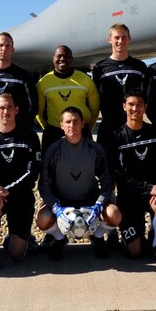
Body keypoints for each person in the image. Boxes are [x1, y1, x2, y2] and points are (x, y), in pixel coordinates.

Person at [36, 107, 121, 260]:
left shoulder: (95, 149)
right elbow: (43, 185)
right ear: (61, 125)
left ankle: (97, 235)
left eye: (76, 122)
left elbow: (107, 182)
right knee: (42, 219)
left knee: (114, 215)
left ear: (82, 124)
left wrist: (99, 205)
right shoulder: (53, 151)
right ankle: (60, 239)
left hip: (90, 201)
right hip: (63, 202)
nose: (72, 126)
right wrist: (56, 208)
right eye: (68, 122)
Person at [0, 93, 41, 274]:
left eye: (9, 107)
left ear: (16, 110)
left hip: (21, 197)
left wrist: (8, 189)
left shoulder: (29, 136)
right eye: (2, 108)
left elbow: (32, 171)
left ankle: (20, 237)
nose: (6, 111)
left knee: (16, 254)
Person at [103, 90, 156, 263]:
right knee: (135, 252)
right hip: (128, 198)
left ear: (145, 107)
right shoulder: (116, 136)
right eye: (131, 104)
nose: (135, 108)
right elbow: (119, 174)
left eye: (139, 104)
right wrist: (148, 188)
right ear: (124, 107)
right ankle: (136, 237)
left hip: (152, 195)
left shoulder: (155, 132)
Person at [36, 45, 100, 153]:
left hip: (81, 132)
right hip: (54, 132)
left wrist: (85, 127)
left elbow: (95, 108)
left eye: (66, 56)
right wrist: (49, 128)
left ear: (72, 59)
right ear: (53, 59)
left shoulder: (86, 80)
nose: (62, 59)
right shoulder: (43, 82)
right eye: (59, 56)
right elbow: (39, 112)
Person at [92, 24, 148, 146]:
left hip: (133, 126)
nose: (120, 41)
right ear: (109, 39)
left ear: (129, 39)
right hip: (108, 127)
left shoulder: (140, 66)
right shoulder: (99, 68)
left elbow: (145, 96)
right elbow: (95, 98)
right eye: (117, 37)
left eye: (124, 37)